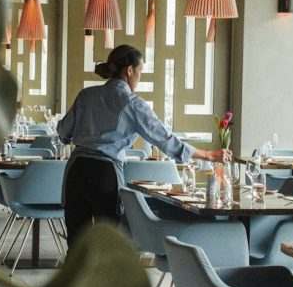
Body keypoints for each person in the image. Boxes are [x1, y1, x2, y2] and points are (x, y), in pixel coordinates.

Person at [56, 44, 229, 244]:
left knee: (76, 244)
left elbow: (62, 132)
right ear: (129, 71)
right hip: (105, 175)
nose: (139, 77)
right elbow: (164, 139)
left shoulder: (86, 95)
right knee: (108, 245)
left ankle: (76, 276)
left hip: (76, 171)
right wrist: (206, 155)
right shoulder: (132, 104)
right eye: (140, 72)